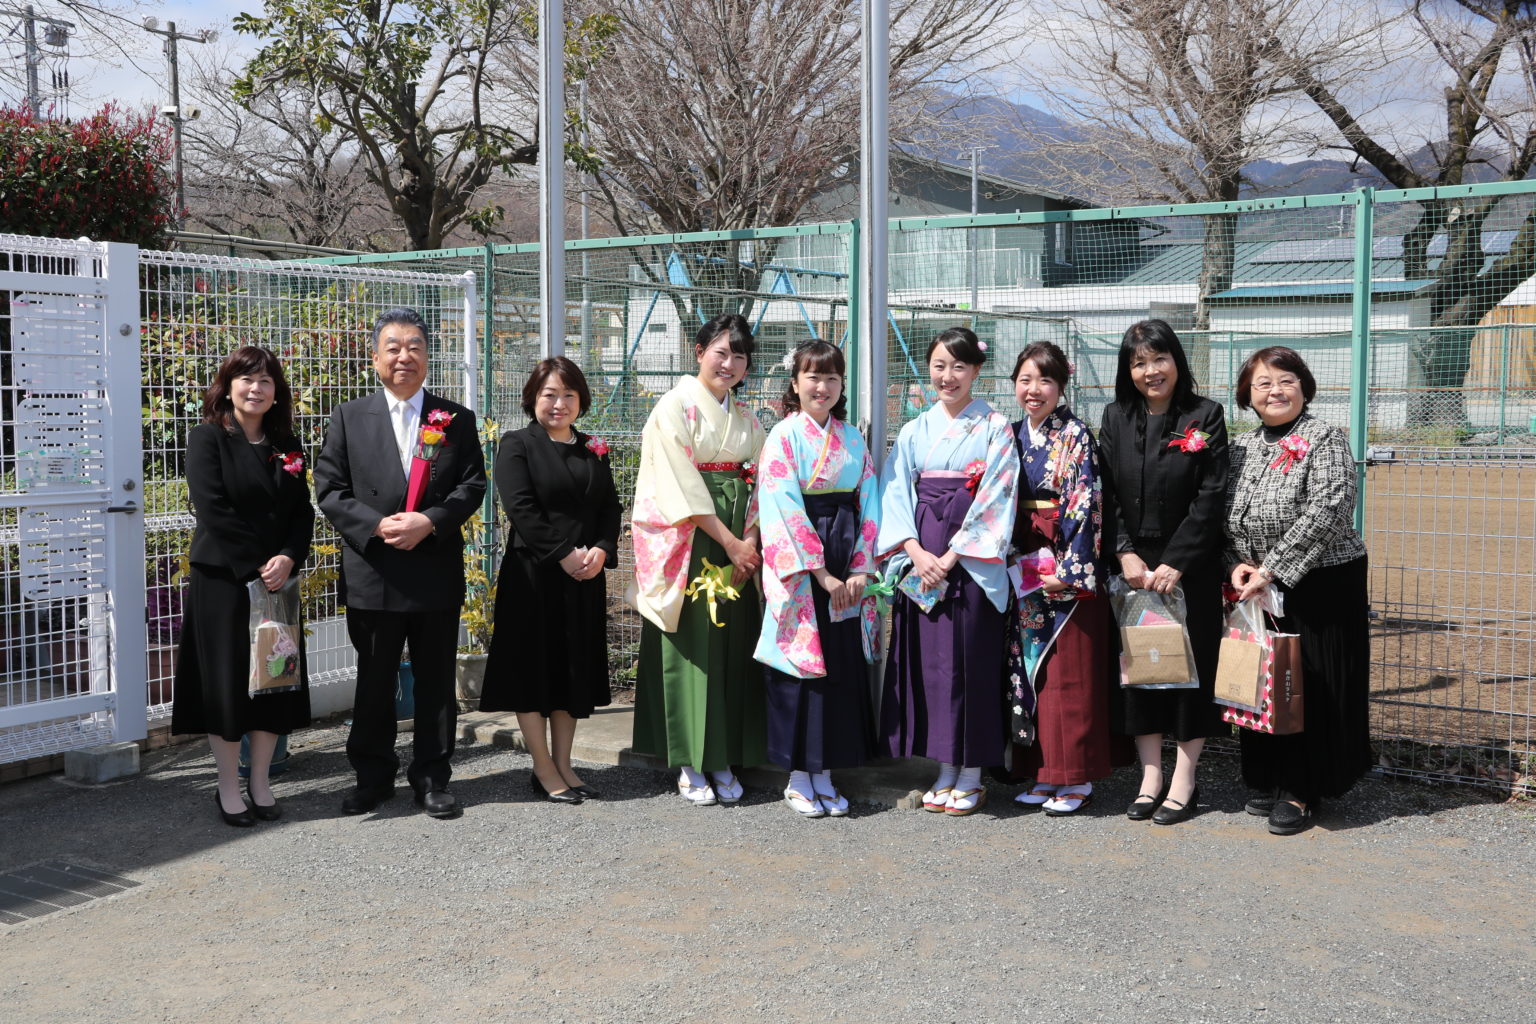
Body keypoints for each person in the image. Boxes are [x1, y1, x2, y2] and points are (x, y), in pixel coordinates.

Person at [315, 307, 486, 820]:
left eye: (414, 346)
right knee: (374, 678)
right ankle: (372, 777)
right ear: (375, 358)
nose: (403, 356)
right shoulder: (349, 416)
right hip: (375, 569)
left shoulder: (455, 418)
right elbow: (330, 487)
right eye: (393, 347)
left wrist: (429, 520)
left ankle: (432, 777)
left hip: (433, 568)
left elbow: (472, 485)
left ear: (428, 356)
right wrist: (378, 525)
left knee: (435, 682)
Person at [1225, 345, 1371, 836]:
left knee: (1309, 684)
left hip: (1319, 583)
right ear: (1248, 395)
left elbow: (1329, 507)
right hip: (1255, 584)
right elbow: (1220, 515)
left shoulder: (1324, 437)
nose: (1275, 390)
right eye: (1262, 383)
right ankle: (1269, 775)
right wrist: (1237, 567)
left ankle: (1302, 788)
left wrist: (1272, 569)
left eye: (1286, 379)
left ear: (1304, 387)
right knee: (1265, 677)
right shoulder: (1241, 446)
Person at [878, 327, 1018, 816]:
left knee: (972, 662)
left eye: (959, 366)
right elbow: (894, 494)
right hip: (923, 559)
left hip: (969, 563)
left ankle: (974, 772)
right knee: (931, 665)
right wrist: (915, 553)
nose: (948, 376)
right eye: (939, 365)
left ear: (976, 371)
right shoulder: (916, 429)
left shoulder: (996, 427)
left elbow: (998, 495)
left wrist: (953, 556)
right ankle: (943, 766)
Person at [171, 346, 312, 827]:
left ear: (277, 393)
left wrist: (288, 557)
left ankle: (261, 782)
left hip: (277, 580)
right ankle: (228, 787)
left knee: (274, 679)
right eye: (246, 379)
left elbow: (302, 513)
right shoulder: (207, 439)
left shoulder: (287, 445)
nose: (256, 388)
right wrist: (257, 564)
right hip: (225, 580)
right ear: (227, 386)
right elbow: (212, 507)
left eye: (266, 381)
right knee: (229, 684)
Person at [631, 313, 768, 806]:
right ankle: (691, 759)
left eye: (739, 356)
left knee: (733, 645)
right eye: (721, 352)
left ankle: (726, 754)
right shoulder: (674, 407)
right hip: (694, 540)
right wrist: (731, 542)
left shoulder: (747, 418)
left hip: (738, 538)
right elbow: (678, 486)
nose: (729, 364)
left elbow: (762, 478)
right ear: (699, 352)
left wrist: (749, 538)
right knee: (693, 645)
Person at [1097, 319, 1229, 825]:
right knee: (1141, 669)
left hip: (1187, 566)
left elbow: (1211, 496)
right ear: (1127, 371)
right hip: (1132, 568)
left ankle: (1185, 776)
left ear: (1177, 360)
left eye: (1159, 359)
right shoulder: (1114, 417)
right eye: (1138, 362)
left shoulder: (1205, 416)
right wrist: (1125, 553)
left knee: (1189, 671)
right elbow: (1103, 494)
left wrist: (1176, 561)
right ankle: (1150, 773)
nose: (1150, 371)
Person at [479, 358, 622, 804]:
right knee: (533, 671)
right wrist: (563, 555)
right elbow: (521, 509)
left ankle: (565, 764)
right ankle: (542, 768)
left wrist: (601, 549)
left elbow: (610, 507)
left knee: (570, 671)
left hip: (584, 576)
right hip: (533, 576)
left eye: (568, 395)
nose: (558, 404)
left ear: (580, 400)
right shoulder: (517, 444)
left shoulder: (593, 448)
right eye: (549, 395)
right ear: (533, 398)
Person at [754, 340, 882, 818]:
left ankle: (826, 771)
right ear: (795, 383)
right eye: (813, 377)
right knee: (801, 664)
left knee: (840, 663)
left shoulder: (852, 439)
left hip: (848, 555)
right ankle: (797, 776)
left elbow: (869, 500)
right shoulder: (782, 438)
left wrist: (861, 566)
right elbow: (782, 507)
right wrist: (823, 574)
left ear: (841, 385)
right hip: (805, 567)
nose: (822, 386)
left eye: (831, 378)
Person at [1004, 341, 1114, 816]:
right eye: (1025, 380)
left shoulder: (1076, 435)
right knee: (1031, 670)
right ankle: (1041, 771)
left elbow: (1085, 501)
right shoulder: (1008, 434)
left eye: (1045, 380)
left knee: (1070, 673)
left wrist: (1069, 570)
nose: (1034, 390)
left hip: (1064, 564)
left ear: (1061, 386)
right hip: (1021, 560)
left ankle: (1076, 778)